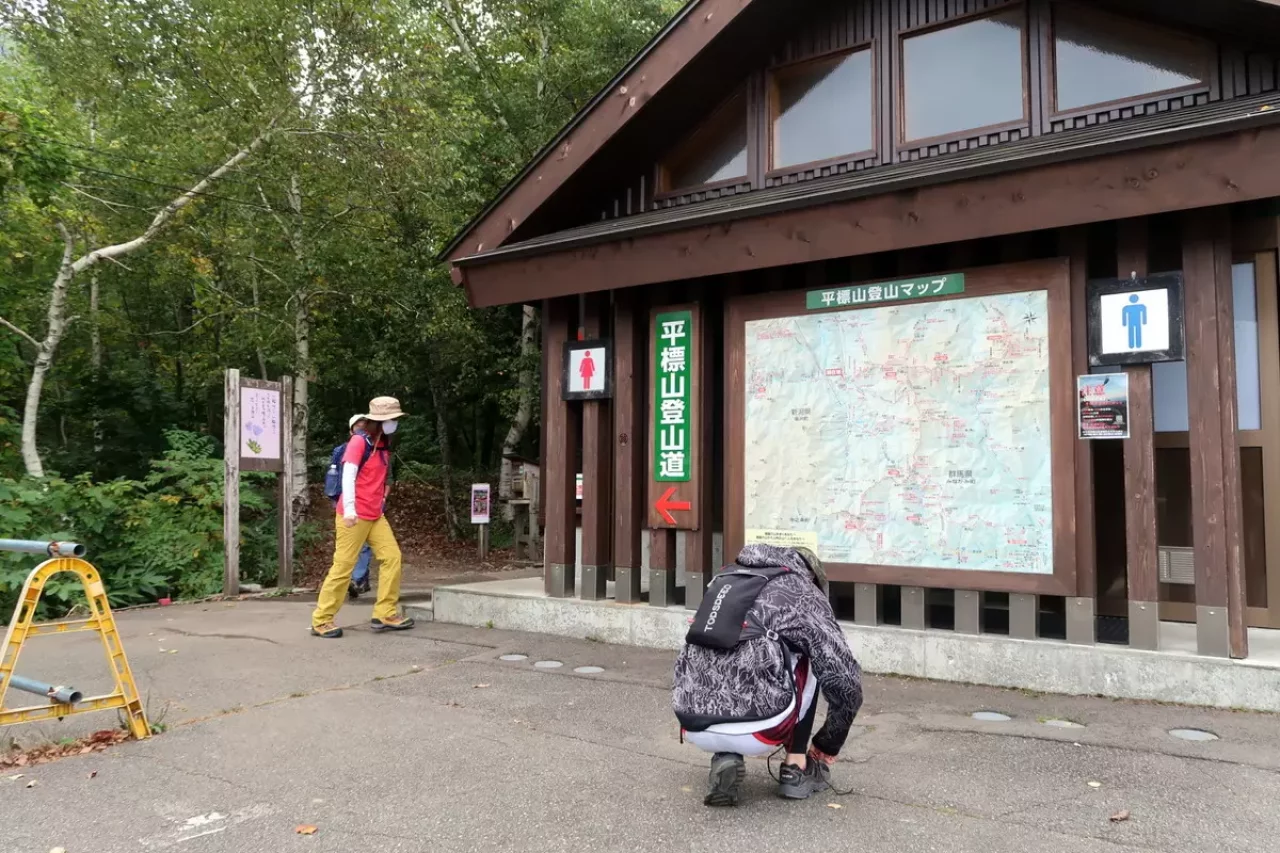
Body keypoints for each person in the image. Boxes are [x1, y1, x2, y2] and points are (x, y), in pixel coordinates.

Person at [672, 543, 863, 807]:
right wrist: (827, 745)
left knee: (723, 655)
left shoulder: (725, 579)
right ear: (813, 577)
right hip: (761, 727)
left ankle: (725, 757)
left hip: (693, 720)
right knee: (812, 655)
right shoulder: (803, 591)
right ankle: (796, 767)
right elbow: (845, 680)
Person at [311, 396, 414, 638]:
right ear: (379, 420)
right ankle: (322, 619)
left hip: (375, 514)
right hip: (353, 515)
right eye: (392, 419)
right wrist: (349, 510)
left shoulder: (384, 444)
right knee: (343, 566)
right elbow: (348, 475)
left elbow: (377, 479)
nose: (395, 423)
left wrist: (381, 500)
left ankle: (385, 613)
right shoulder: (359, 442)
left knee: (392, 557)